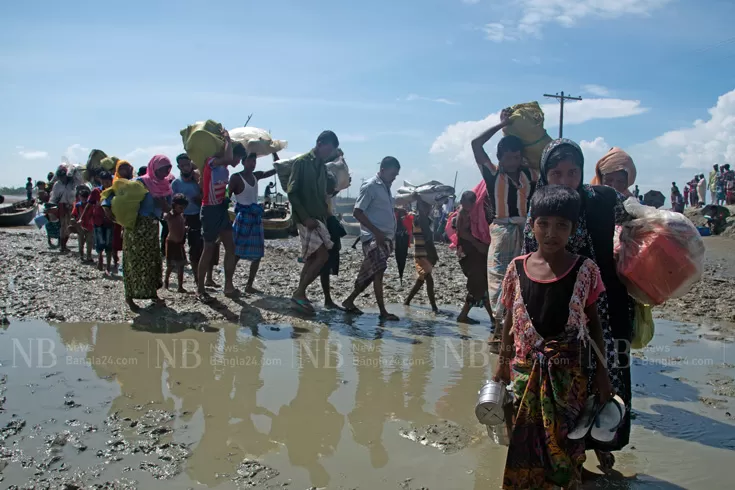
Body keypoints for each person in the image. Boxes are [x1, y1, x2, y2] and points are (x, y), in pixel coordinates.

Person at [523, 138, 634, 473]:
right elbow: (532, 260)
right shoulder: (540, 205)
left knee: (608, 378)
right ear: (545, 173)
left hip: (605, 307)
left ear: (583, 172)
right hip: (562, 310)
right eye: (556, 173)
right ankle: (574, 457)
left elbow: (637, 227)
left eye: (573, 172)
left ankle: (603, 444)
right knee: (567, 383)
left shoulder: (603, 199)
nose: (566, 180)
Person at [495, 184, 612, 490]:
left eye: (562, 225)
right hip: (523, 373)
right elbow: (509, 322)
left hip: (568, 377)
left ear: (573, 229)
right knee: (524, 444)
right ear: (532, 224)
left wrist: (602, 374)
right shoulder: (516, 268)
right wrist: (500, 367)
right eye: (543, 223)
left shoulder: (585, 270)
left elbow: (595, 325)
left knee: (566, 447)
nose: (551, 232)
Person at [471, 109, 537, 344]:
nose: (513, 161)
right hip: (501, 230)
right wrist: (503, 125)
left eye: (517, 156)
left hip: (525, 230)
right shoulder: (493, 174)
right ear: (500, 158)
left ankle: (516, 328)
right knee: (498, 279)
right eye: (508, 157)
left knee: (524, 278)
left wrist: (521, 129)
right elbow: (476, 144)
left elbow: (542, 155)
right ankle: (499, 328)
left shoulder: (530, 174)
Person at [105, 155, 173, 310]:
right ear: (154, 167)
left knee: (151, 261)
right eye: (163, 169)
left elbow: (169, 208)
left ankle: (152, 294)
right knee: (133, 262)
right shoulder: (140, 182)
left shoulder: (166, 186)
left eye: (168, 169)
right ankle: (129, 297)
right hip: (136, 227)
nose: (165, 172)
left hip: (152, 228)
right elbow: (114, 192)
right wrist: (106, 207)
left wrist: (163, 204)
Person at [287, 130, 339, 314]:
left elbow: (324, 194)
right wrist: (304, 217)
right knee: (322, 256)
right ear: (319, 143)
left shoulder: (322, 168)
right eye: (329, 149)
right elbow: (292, 192)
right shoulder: (301, 163)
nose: (329, 154)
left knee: (313, 258)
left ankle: (299, 296)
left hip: (319, 218)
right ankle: (299, 293)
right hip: (306, 218)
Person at [342, 157, 401, 320]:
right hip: (373, 238)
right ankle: (383, 312)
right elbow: (357, 212)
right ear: (383, 170)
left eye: (396, 175)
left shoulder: (386, 188)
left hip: (385, 238)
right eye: (393, 174)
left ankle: (349, 300)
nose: (394, 178)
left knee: (371, 273)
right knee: (379, 270)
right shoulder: (370, 186)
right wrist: (376, 232)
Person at [197, 129, 240, 302]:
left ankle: (228, 285)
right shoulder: (211, 162)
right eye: (238, 158)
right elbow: (229, 158)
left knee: (231, 247)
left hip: (221, 209)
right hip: (209, 210)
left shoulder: (224, 168)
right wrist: (228, 139)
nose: (237, 162)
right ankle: (200, 289)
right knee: (208, 249)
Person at [229, 150, 278, 294]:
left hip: (256, 219)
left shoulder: (257, 176)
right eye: (249, 161)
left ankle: (249, 285)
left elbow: (276, 169)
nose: (252, 164)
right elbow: (227, 194)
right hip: (243, 218)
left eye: (254, 161)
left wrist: (274, 153)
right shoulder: (236, 178)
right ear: (243, 162)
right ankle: (229, 284)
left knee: (257, 255)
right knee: (236, 253)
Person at [454, 191, 494, 324]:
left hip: (474, 251)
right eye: (464, 203)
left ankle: (491, 318)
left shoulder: (475, 212)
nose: (465, 205)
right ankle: (491, 319)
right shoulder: (462, 213)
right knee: (478, 282)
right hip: (468, 251)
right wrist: (477, 244)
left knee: (481, 284)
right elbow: (461, 233)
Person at [404, 198, 439, 313]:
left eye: (429, 207)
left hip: (426, 253)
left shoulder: (426, 219)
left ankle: (407, 301)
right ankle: (434, 307)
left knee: (421, 279)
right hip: (421, 254)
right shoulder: (418, 219)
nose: (429, 209)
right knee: (428, 279)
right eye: (426, 207)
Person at [321, 173, 348, 309]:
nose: (333, 189)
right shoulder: (321, 197)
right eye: (331, 186)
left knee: (324, 268)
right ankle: (327, 300)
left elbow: (336, 190)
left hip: (329, 233)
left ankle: (327, 299)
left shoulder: (328, 195)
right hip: (326, 233)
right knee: (324, 268)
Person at [49, 165, 79, 253]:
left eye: (63, 176)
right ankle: (62, 246)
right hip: (62, 206)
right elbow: (54, 196)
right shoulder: (57, 184)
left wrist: (74, 171)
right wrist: (51, 207)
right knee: (63, 226)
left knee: (69, 226)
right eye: (60, 177)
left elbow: (80, 181)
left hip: (71, 206)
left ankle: (64, 245)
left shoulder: (72, 182)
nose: (62, 178)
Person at [90, 171, 115, 273]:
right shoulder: (96, 191)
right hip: (98, 220)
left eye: (108, 181)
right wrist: (82, 217)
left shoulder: (114, 191)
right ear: (100, 181)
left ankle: (108, 266)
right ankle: (100, 259)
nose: (106, 184)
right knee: (100, 243)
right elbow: (89, 204)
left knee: (109, 244)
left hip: (110, 221)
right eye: (104, 181)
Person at [164, 193, 189, 293]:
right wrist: (170, 210)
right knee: (170, 265)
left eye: (183, 208)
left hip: (180, 244)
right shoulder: (171, 215)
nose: (182, 210)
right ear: (174, 206)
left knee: (181, 265)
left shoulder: (181, 216)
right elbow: (165, 217)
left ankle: (180, 286)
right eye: (180, 207)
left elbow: (181, 227)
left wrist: (185, 229)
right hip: (171, 242)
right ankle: (166, 281)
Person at [71, 187, 94, 262]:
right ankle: (81, 256)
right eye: (82, 197)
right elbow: (74, 215)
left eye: (85, 197)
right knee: (81, 242)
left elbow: (93, 214)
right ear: (79, 197)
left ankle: (89, 256)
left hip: (90, 226)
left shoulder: (91, 205)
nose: (83, 199)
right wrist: (74, 222)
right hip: (80, 226)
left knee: (89, 242)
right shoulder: (77, 205)